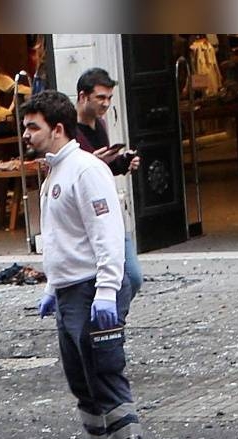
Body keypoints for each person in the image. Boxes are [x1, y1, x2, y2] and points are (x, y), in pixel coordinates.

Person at [20, 90, 153, 439]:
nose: (26, 134)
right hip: (69, 293)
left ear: (57, 129)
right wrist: (50, 289)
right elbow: (63, 240)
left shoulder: (85, 170)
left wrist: (107, 290)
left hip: (90, 291)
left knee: (108, 384)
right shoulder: (55, 173)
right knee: (84, 387)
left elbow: (107, 235)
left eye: (32, 127)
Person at [74, 67, 144, 297]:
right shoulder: (67, 131)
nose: (106, 104)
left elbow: (104, 169)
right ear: (83, 97)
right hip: (84, 218)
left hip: (107, 211)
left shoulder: (100, 125)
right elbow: (61, 171)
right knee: (95, 281)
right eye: (100, 98)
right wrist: (90, 162)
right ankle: (103, 323)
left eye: (109, 98)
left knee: (132, 277)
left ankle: (112, 319)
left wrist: (123, 162)